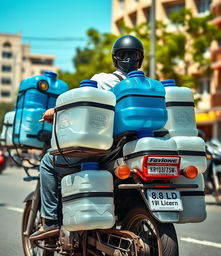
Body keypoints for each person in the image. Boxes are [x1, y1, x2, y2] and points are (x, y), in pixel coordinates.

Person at [29, 35, 145, 241]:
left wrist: (54, 111)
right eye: (128, 55)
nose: (128, 59)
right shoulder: (147, 85)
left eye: (130, 56)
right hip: (133, 150)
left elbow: (79, 104)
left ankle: (50, 222)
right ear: (141, 59)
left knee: (48, 162)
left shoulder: (101, 80)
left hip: (103, 151)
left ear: (113, 59)